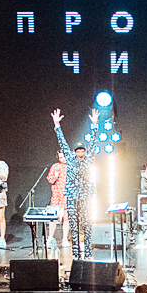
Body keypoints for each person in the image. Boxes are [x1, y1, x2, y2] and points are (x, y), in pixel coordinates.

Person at [51, 108, 95, 258]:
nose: (80, 152)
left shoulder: (89, 159)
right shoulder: (70, 158)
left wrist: (94, 125)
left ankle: (88, 253)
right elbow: (62, 142)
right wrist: (57, 125)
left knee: (87, 225)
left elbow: (93, 143)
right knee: (74, 227)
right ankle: (76, 254)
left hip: (85, 197)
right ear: (75, 151)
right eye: (78, 150)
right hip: (71, 197)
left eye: (82, 150)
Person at [47, 151, 69, 246]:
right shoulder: (55, 166)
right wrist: (55, 176)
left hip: (66, 195)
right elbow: (50, 180)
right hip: (56, 195)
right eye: (60, 157)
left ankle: (65, 238)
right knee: (53, 218)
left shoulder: (70, 166)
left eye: (64, 157)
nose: (63, 159)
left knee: (66, 218)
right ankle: (50, 238)